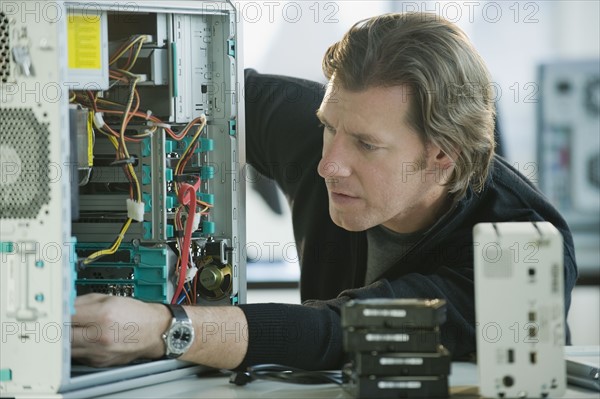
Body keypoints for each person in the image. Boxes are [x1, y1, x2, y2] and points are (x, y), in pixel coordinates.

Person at [72, 12, 577, 370]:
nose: (328, 163)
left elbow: (343, 333)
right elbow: (191, 94)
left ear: (442, 156)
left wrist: (166, 329)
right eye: (328, 127)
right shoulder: (316, 126)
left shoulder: (519, 246)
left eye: (366, 145)